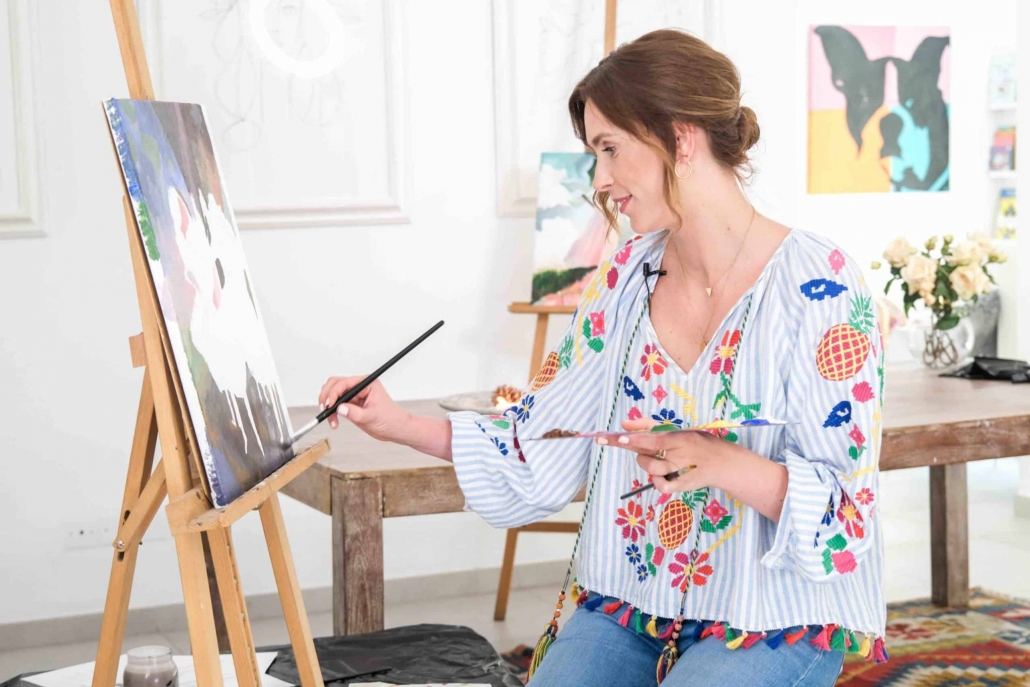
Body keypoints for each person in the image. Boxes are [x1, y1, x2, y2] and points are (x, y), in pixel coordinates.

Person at [318, 29, 886, 686]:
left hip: (776, 616)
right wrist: (397, 423)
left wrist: (724, 463)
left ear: (681, 138)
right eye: (595, 154)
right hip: (631, 607)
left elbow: (846, 515)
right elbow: (541, 441)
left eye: (610, 149)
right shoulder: (621, 280)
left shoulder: (821, 285)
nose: (600, 179)